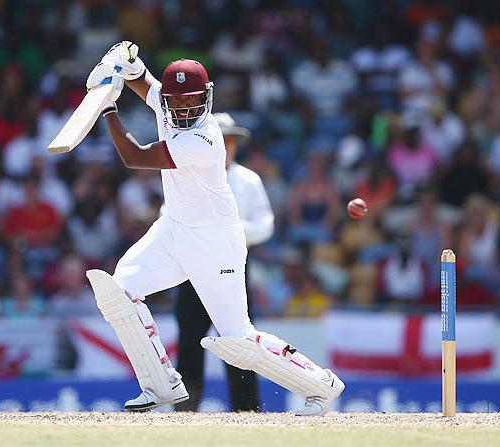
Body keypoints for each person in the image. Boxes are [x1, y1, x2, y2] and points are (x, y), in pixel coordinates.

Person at [81, 41, 344, 415]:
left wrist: (107, 104)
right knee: (119, 292)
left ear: (206, 97)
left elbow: (134, 156)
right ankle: (161, 384)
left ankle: (321, 385)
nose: (185, 110)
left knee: (238, 338)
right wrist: (124, 64)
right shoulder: (167, 105)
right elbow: (144, 82)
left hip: (215, 242)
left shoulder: (204, 138)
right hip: (172, 230)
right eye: (178, 102)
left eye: (192, 101)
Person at [175, 112, 274, 412]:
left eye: (229, 141)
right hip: (194, 273)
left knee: (239, 343)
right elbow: (168, 219)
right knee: (190, 343)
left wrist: (232, 231)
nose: (225, 147)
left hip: (233, 272)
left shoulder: (248, 180)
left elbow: (266, 223)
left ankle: (247, 412)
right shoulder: (186, 178)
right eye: (219, 140)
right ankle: (184, 413)